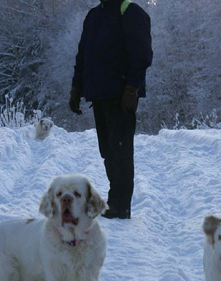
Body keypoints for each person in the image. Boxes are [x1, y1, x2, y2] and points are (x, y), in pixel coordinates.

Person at [69, 0, 153, 220]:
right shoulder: (94, 15)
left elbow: (142, 55)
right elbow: (83, 55)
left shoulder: (131, 12)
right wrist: (76, 88)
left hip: (121, 95)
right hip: (99, 94)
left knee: (121, 150)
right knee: (107, 150)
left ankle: (120, 205)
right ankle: (115, 200)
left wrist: (132, 88)